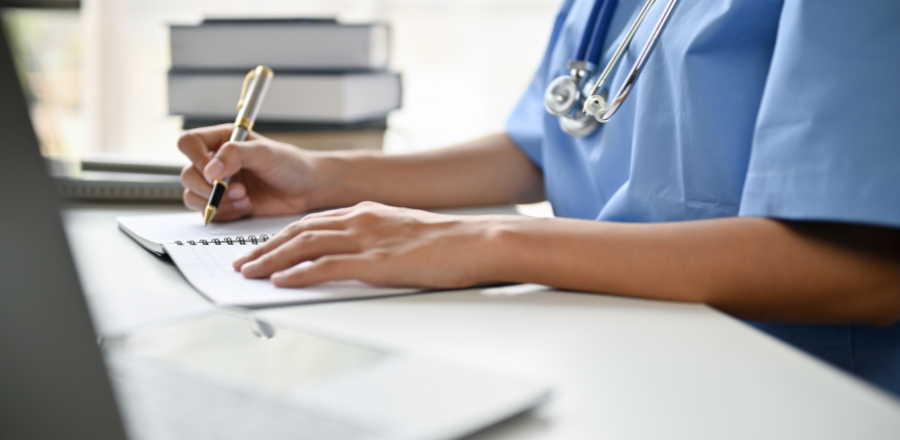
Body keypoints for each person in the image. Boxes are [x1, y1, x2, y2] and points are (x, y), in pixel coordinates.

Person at [178, 0, 900, 395]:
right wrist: (325, 176)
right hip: (613, 356)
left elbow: (865, 271)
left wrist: (484, 244)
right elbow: (553, 137)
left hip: (789, 391)